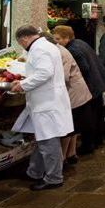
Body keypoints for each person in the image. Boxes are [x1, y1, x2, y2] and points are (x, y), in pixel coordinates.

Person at [10, 25, 73, 190]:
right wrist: (24, 82)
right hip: (48, 100)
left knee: (48, 140)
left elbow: (44, 73)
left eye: (20, 43)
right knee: (43, 139)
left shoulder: (39, 49)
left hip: (47, 102)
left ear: (24, 39)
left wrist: (23, 84)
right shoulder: (47, 46)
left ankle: (54, 178)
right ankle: (35, 172)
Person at [52, 25, 105, 155]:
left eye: (57, 39)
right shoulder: (80, 42)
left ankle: (88, 145)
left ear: (67, 38)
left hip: (91, 85)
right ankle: (98, 140)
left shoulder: (72, 49)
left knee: (88, 118)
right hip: (99, 81)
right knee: (97, 115)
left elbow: (83, 67)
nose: (55, 42)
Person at [44, 33, 92, 166]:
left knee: (67, 126)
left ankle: (63, 157)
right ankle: (71, 154)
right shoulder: (61, 50)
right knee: (74, 125)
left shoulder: (59, 53)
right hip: (77, 92)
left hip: (73, 93)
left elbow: (62, 77)